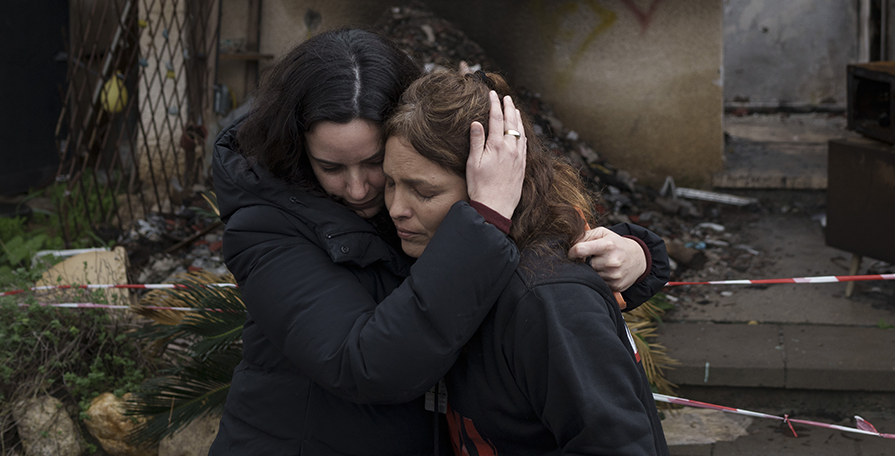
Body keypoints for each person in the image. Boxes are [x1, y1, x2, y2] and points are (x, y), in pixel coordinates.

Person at [209, 29, 666, 456]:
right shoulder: (265, 226)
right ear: (296, 148)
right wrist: (483, 223)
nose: (360, 190)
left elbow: (544, 276)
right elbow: (367, 363)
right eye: (330, 167)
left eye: (374, 164)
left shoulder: (434, 197)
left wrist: (635, 258)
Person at [384, 67, 670, 456]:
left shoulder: (545, 300)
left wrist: (640, 252)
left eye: (423, 191)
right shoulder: (433, 258)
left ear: (493, 184)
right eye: (390, 182)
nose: (396, 208)